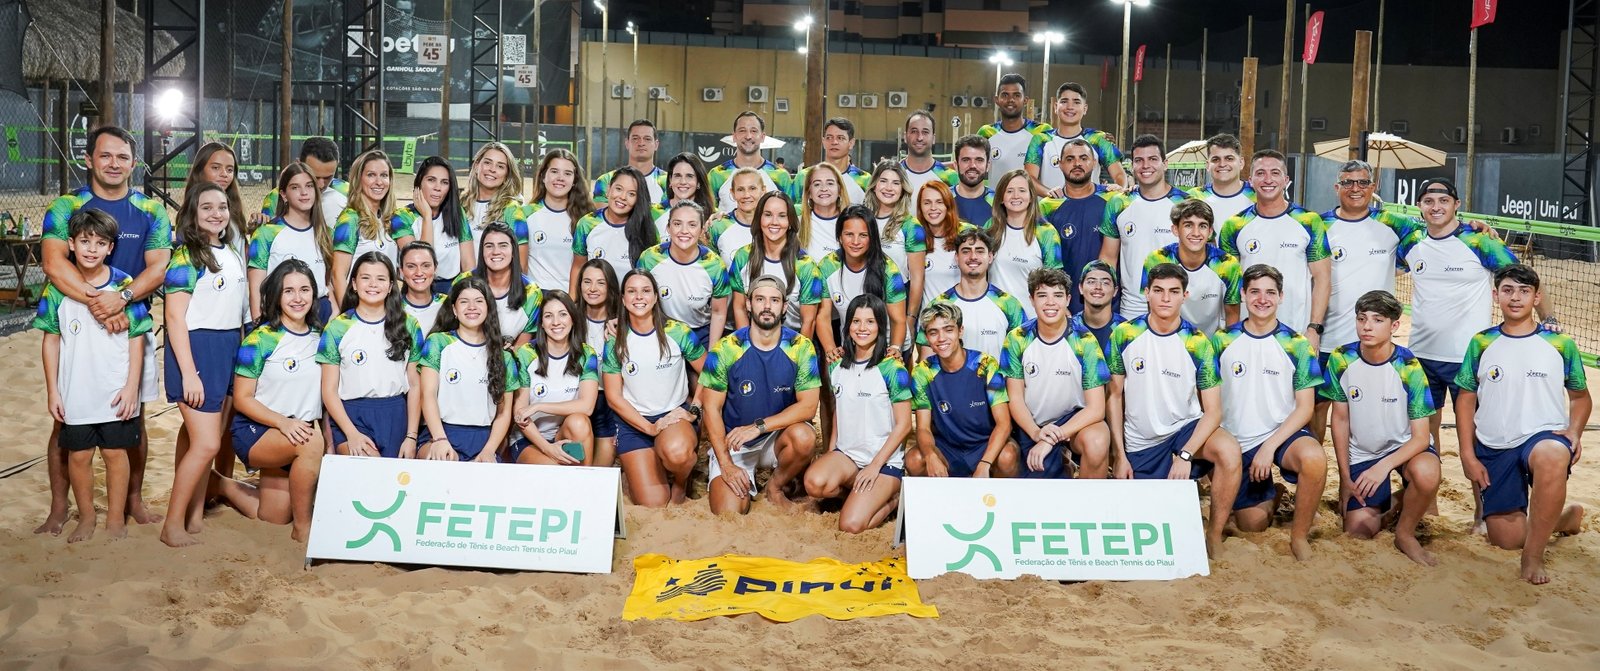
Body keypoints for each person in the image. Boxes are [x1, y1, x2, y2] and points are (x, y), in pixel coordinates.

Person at [38, 125, 169, 533]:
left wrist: (122, 299)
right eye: (106, 155)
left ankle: (131, 502)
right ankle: (60, 509)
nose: (114, 163)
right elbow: (53, 263)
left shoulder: (150, 209)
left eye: (123, 157)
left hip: (128, 323)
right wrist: (98, 301)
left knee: (134, 416)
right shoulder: (65, 205)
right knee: (65, 423)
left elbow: (158, 266)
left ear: (134, 163)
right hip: (81, 317)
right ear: (90, 159)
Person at [1397, 177, 1550, 457]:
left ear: (1457, 205)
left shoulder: (1479, 240)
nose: (1436, 207)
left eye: (1444, 201)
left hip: (1467, 357)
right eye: (1429, 201)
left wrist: (1549, 321)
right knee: (1422, 441)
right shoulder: (1412, 241)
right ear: (1419, 206)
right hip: (1420, 356)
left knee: (1477, 439)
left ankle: (1484, 503)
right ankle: (1426, 501)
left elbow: (1528, 281)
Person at [1455, 265, 1589, 585]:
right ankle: (1563, 518)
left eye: (1524, 291)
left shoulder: (1560, 344)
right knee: (1506, 539)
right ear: (1496, 295)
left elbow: (1581, 398)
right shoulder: (1481, 343)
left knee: (1553, 455)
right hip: (1494, 443)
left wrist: (1573, 432)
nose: (1516, 298)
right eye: (1508, 290)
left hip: (1542, 435)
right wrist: (1467, 455)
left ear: (1536, 296)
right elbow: (1464, 399)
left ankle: (1533, 557)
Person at [1105, 263, 1241, 555]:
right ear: (1146, 294)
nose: (1165, 298)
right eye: (1158, 291)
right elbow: (1114, 397)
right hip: (1142, 441)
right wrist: (1120, 454)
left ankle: (1214, 536)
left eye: (1173, 292)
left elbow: (1214, 411)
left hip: (1184, 431)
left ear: (1185, 296)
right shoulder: (1124, 335)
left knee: (1229, 451)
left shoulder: (1197, 343)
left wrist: (1186, 454)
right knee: (1143, 525)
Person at [35, 209, 151, 542]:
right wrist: (53, 392)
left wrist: (131, 388)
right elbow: (51, 340)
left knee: (116, 454)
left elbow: (137, 337)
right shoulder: (57, 289)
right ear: (71, 243)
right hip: (76, 392)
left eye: (100, 243)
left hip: (115, 391)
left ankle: (115, 518)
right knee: (80, 456)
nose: (91, 249)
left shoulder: (124, 285)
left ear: (111, 248)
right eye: (85, 241)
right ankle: (86, 517)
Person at [1213, 265, 1327, 561]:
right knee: (1252, 525)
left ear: (1281, 297)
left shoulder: (1297, 345)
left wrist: (1269, 446)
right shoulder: (1221, 341)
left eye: (1270, 293)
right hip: (1236, 440)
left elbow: (1305, 408)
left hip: (1280, 435)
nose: (1262, 299)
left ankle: (1299, 536)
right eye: (1255, 292)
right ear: (1243, 295)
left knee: (1314, 458)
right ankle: (1274, 493)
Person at [159, 181, 250, 547]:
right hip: (198, 350)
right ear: (192, 215)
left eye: (222, 206)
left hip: (230, 346)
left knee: (215, 438)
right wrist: (189, 373)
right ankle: (171, 525)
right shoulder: (185, 258)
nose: (217, 213)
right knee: (206, 444)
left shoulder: (230, 252)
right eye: (207, 207)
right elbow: (175, 320)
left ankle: (194, 516)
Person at [1322, 290, 1441, 566]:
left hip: (1403, 449)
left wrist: (1382, 468)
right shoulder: (1341, 358)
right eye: (1362, 319)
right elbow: (1339, 420)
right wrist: (1345, 478)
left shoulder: (1409, 366)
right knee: (1357, 532)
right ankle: (1393, 502)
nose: (1367, 326)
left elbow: (1422, 437)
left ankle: (1405, 533)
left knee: (1426, 473)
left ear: (1394, 326)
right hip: (1363, 452)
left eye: (1377, 320)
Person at [1311, 159, 1421, 439]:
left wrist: (1473, 225)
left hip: (1375, 342)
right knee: (1317, 407)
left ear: (1374, 187)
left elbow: (1436, 231)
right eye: (1347, 182)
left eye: (1362, 182)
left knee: (1372, 407)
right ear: (1337, 187)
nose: (1355, 188)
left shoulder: (1394, 224)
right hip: (1328, 336)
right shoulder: (1318, 225)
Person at [700, 275, 822, 514]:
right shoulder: (726, 349)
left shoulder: (800, 347)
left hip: (775, 438)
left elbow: (808, 407)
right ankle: (730, 473)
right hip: (735, 443)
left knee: (805, 437)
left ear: (785, 306)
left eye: (775, 300)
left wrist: (759, 426)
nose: (767, 306)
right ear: (748, 304)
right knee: (730, 512)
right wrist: (725, 463)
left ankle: (775, 488)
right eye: (760, 299)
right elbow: (711, 409)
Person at [227, 260, 328, 542]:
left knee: (273, 516)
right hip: (259, 430)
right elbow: (242, 399)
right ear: (276, 296)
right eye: (289, 291)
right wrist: (283, 423)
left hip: (294, 433)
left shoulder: (321, 337)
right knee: (310, 442)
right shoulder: (260, 339)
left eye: (305, 290)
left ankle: (218, 485)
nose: (298, 298)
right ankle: (303, 530)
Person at [803, 295, 912, 532]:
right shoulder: (837, 365)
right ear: (848, 326)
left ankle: (894, 499)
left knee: (851, 525)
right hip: (849, 457)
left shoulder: (893, 368)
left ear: (881, 326)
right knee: (814, 483)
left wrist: (874, 466)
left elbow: (904, 425)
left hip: (883, 462)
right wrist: (831, 453)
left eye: (870, 322)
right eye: (856, 321)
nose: (862, 328)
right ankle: (860, 496)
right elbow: (840, 413)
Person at [602, 270, 709, 506]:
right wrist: (650, 429)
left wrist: (695, 408)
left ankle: (681, 485)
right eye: (632, 291)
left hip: (673, 415)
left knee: (678, 454)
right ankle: (643, 470)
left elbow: (709, 372)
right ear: (622, 299)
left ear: (655, 297)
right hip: (634, 423)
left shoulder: (678, 332)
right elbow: (613, 397)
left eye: (645, 291)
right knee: (653, 503)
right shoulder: (615, 340)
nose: (639, 297)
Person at [1000, 268, 1112, 479]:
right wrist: (1036, 433)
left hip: (1073, 422)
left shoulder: (1084, 341)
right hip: (1032, 425)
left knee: (1098, 440)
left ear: (1068, 299)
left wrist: (1051, 439)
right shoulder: (1017, 338)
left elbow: (1097, 408)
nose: (1050, 302)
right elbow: (1014, 398)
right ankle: (1062, 463)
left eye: (1058, 295)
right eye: (1042, 295)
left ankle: (1088, 508)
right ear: (1032, 300)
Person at [317, 252, 424, 459]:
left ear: (391, 285)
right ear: (354, 284)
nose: (373, 284)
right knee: (369, 471)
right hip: (351, 415)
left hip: (395, 414)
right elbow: (329, 390)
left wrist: (411, 436)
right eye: (365, 278)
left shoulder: (409, 325)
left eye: (381, 278)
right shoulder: (337, 328)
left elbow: (415, 384)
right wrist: (351, 433)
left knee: (391, 483)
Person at [1218, 149, 1331, 341]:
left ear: (1286, 180)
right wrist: (1232, 330)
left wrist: (1313, 329)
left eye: (1275, 173)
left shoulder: (1309, 221)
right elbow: (1229, 285)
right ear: (1251, 180)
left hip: (1295, 334)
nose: (1268, 179)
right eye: (1260, 173)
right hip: (1247, 332)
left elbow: (1323, 279)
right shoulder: (1234, 225)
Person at [905, 302, 1019, 478]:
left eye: (948, 330)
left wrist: (985, 463)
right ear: (927, 338)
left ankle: (999, 504)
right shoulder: (923, 372)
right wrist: (930, 455)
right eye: (933, 332)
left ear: (960, 331)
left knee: (1007, 456)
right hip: (947, 447)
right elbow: (923, 428)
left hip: (984, 444)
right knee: (914, 459)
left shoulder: (985, 365)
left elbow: (1004, 423)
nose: (941, 338)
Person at [418, 277, 518, 462]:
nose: (472, 307)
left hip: (484, 440)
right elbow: (427, 394)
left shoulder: (504, 357)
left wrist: (489, 450)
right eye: (464, 301)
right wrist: (440, 439)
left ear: (488, 308)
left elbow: (504, 413)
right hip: (441, 433)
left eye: (479, 301)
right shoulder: (438, 342)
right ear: (455, 309)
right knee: (441, 463)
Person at [1097, 134, 1189, 319]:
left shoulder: (1185, 204)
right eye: (1139, 160)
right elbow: (1108, 258)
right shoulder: (1119, 204)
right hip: (1132, 307)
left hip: (1177, 306)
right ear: (1132, 166)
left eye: (1153, 159)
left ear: (1165, 163)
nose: (1146, 166)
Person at [512, 291, 600, 465]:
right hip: (529, 439)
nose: (556, 322)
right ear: (542, 324)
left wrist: (538, 406)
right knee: (556, 472)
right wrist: (548, 448)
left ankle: (586, 483)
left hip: (562, 433)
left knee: (579, 422)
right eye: (548, 316)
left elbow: (587, 406)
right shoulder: (526, 354)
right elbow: (520, 414)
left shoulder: (586, 354)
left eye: (562, 314)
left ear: (573, 319)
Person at [727, 191, 824, 338]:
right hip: (753, 338)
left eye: (782, 216)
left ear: (790, 222)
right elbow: (740, 307)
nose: (774, 221)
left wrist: (796, 357)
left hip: (793, 341)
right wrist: (747, 347)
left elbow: (808, 322)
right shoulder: (742, 257)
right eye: (767, 214)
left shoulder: (806, 266)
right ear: (759, 219)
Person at [818, 205, 909, 361]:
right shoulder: (827, 266)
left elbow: (898, 319)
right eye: (849, 234)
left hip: (889, 346)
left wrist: (895, 348)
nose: (855, 241)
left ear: (872, 237)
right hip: (852, 348)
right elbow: (823, 315)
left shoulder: (889, 270)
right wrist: (830, 349)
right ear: (839, 236)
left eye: (863, 235)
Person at [920, 227, 1026, 360]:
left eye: (980, 251)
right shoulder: (939, 305)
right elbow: (926, 363)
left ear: (990, 257)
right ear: (956, 258)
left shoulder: (1010, 305)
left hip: (996, 381)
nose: (973, 257)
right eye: (966, 251)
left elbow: (1021, 358)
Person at [636, 201, 732, 347]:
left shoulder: (715, 265)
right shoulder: (649, 259)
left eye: (692, 225)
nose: (684, 230)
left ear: (701, 230)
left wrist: (712, 352)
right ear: (668, 228)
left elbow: (718, 312)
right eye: (677, 224)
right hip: (660, 331)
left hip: (700, 334)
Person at [248, 162, 334, 321]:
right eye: (295, 187)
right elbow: (255, 290)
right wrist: (258, 327)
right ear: (284, 194)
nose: (304, 193)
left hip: (320, 313)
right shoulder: (266, 233)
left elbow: (328, 283)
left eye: (309, 186)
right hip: (280, 314)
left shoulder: (325, 233)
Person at [1141, 199, 1241, 332]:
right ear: (1175, 229)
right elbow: (1154, 311)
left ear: (1210, 231)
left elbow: (1232, 317)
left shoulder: (1227, 265)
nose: (1196, 233)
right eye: (1188, 225)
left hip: (1212, 343)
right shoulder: (1157, 260)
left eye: (1202, 226)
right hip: (1170, 340)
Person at [1040, 138, 1113, 315]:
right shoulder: (1047, 206)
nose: (1077, 163)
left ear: (1094, 163)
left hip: (1104, 304)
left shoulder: (1113, 200)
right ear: (1060, 164)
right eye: (1070, 159)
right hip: (1062, 307)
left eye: (1083, 158)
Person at [986, 169, 1064, 317]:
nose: (1016, 196)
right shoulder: (991, 228)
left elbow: (1055, 280)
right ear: (1001, 197)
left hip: (1032, 318)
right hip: (995, 315)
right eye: (1009, 191)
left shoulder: (1046, 232)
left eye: (1022, 190)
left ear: (1031, 197)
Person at [1025, 82, 1127, 194]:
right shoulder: (1041, 140)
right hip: (1051, 210)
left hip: (1090, 209)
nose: (1070, 107)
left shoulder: (1098, 139)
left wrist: (1119, 192)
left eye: (1076, 102)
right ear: (1055, 107)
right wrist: (1052, 195)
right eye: (1064, 101)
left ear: (1085, 108)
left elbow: (1119, 174)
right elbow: (1029, 178)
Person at [515, 148, 595, 290]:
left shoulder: (586, 219)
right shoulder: (524, 215)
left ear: (575, 180)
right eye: (554, 171)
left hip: (571, 301)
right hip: (536, 301)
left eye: (567, 173)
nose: (560, 178)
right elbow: (520, 267)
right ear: (543, 176)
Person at [330, 149, 402, 305]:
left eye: (384, 175)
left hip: (386, 308)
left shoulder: (390, 218)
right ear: (358, 179)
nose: (379, 182)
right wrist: (348, 316)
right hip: (359, 308)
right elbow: (337, 274)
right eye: (371, 175)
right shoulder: (350, 220)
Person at [394, 156, 475, 293]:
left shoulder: (457, 213)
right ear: (419, 183)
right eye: (431, 180)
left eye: (444, 182)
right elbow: (422, 263)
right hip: (418, 289)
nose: (438, 188)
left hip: (454, 290)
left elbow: (469, 265)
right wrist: (427, 216)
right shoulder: (402, 217)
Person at [572, 166, 658, 288]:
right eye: (618, 189)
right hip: (594, 302)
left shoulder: (646, 229)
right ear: (608, 190)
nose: (623, 197)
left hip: (630, 303)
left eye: (631, 194)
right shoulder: (586, 224)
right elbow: (578, 266)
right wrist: (573, 302)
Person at [865, 159, 927, 321]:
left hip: (898, 304)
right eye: (883, 181)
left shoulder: (911, 226)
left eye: (896, 183)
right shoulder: (861, 218)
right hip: (862, 301)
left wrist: (911, 317)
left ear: (903, 189)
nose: (888, 188)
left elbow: (917, 278)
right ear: (874, 185)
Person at [463, 222, 543, 347]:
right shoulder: (464, 281)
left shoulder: (532, 292)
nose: (496, 252)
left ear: (513, 252)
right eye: (489, 246)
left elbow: (521, 349)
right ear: (481, 251)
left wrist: (509, 354)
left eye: (503, 245)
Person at [578, 260, 622, 466]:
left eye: (600, 283)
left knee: (600, 471)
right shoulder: (568, 320)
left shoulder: (622, 323)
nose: (592, 289)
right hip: (576, 402)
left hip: (608, 404)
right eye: (587, 282)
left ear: (610, 287)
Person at [977, 73, 1052, 190]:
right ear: (997, 100)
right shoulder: (987, 132)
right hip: (997, 206)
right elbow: (971, 165)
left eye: (1017, 95)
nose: (1010, 100)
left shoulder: (1041, 132)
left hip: (1032, 206)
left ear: (1025, 100)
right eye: (1005, 95)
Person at [707, 111, 793, 213]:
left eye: (754, 131)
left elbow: (789, 214)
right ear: (734, 136)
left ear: (762, 136)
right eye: (742, 131)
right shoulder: (717, 175)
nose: (748, 136)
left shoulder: (780, 176)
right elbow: (708, 211)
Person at [257, 137, 348, 230]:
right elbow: (265, 235)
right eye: (314, 177)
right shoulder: (275, 198)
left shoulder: (349, 193)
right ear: (298, 165)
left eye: (328, 177)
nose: (321, 185)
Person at [916, 180, 978, 310]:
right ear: (920, 207)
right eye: (927, 203)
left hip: (964, 317)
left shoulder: (968, 233)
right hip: (929, 321)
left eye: (939, 202)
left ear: (948, 205)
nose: (933, 208)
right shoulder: (915, 238)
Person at [184, 142, 248, 245]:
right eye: (215, 168)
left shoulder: (235, 209)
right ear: (200, 170)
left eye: (230, 170)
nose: (224, 174)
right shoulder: (190, 214)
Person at [460, 141, 525, 243]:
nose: (492, 169)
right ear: (477, 166)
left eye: (500, 166)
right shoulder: (460, 204)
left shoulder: (512, 209)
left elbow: (520, 255)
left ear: (507, 175)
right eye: (487, 162)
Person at [794, 117, 869, 204]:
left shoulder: (864, 180)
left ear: (851, 143)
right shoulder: (804, 176)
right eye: (829, 138)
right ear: (823, 142)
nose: (834, 142)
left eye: (840, 138)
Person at [594, 119, 668, 205]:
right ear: (627, 143)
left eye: (647, 139)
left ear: (656, 145)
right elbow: (603, 216)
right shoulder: (606, 180)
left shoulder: (668, 182)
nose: (641, 143)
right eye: (635, 138)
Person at [1188, 134, 1256, 224]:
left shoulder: (1257, 195)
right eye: (1216, 159)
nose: (1222, 164)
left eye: (1229, 159)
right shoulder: (1193, 197)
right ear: (1207, 165)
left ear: (1241, 163)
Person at [708, 167, 765, 262]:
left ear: (763, 190)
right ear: (733, 193)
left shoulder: (773, 227)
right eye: (740, 189)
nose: (746, 195)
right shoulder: (717, 227)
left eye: (752, 188)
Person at [1074, 260, 1124, 361]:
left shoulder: (1125, 331)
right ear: (1080, 288)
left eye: (1105, 283)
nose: (1098, 287)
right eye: (1091, 282)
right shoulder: (1070, 329)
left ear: (1115, 291)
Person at [797, 161, 848, 259]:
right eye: (817, 184)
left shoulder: (853, 224)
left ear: (839, 190)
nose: (824, 188)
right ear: (809, 193)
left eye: (830, 183)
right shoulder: (797, 225)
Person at [656, 152, 717, 234]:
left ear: (698, 182)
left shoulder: (713, 216)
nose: (683, 182)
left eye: (689, 176)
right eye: (678, 175)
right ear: (670, 180)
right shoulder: (653, 213)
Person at [900, 110, 959, 194]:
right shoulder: (894, 175)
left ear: (933, 138)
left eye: (925, 132)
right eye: (914, 131)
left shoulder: (950, 177)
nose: (920, 137)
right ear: (905, 136)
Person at [399, 242, 447, 333]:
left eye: (426, 266)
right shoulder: (393, 306)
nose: (419, 273)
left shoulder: (447, 304)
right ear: (401, 271)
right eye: (411, 266)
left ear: (435, 268)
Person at [952, 135, 996, 227]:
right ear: (956, 165)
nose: (972, 165)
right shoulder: (942, 199)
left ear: (988, 166)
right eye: (966, 160)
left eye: (979, 160)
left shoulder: (998, 202)